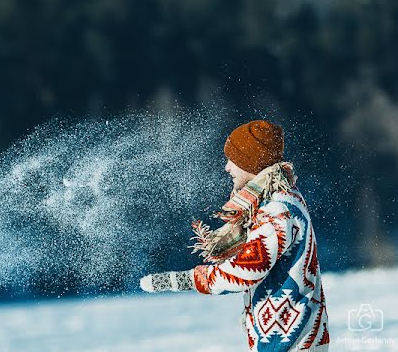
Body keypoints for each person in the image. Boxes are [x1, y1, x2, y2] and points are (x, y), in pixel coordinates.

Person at [139, 120, 329, 351]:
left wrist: (186, 280)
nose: (227, 167)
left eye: (234, 160)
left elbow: (248, 267)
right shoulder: (277, 200)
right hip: (285, 336)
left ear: (253, 162)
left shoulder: (277, 210)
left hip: (290, 341)